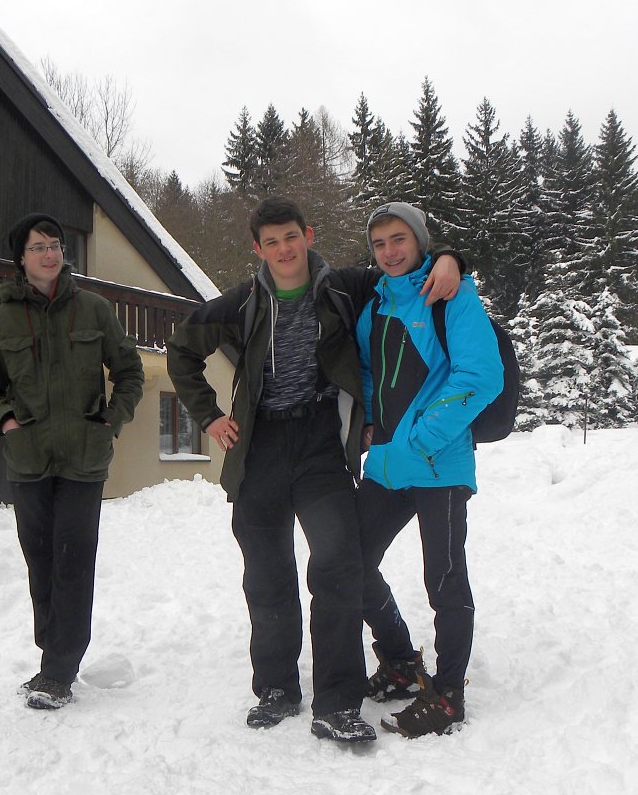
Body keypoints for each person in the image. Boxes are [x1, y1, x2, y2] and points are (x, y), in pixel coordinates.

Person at [166, 197, 463, 743]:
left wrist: (450, 257)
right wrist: (208, 415)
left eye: (291, 237)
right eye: (271, 242)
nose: (284, 250)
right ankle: (276, 688)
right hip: (258, 447)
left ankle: (338, 703)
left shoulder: (344, 287)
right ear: (258, 249)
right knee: (266, 573)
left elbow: (403, 266)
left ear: (308, 234)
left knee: (337, 567)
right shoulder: (241, 302)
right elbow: (182, 348)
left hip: (321, 444)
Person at [0, 213, 144, 710]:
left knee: (72, 561)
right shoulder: (1, 320)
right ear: (21, 258)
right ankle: (53, 655)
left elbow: (130, 371)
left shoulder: (93, 309)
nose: (50, 254)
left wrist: (110, 420)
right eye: (38, 247)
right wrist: (6, 421)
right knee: (41, 561)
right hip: (28, 461)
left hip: (83, 461)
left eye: (55, 245)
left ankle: (59, 671)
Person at [353, 201, 503, 737]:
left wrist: (423, 436)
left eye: (399, 239)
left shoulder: (450, 294)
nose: (389, 251)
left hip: (439, 464)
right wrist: (371, 423)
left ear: (419, 241)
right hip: (389, 464)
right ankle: (399, 660)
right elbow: (368, 373)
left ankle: (448, 695)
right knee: (350, 561)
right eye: (379, 243)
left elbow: (481, 375)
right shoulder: (374, 306)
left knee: (443, 580)